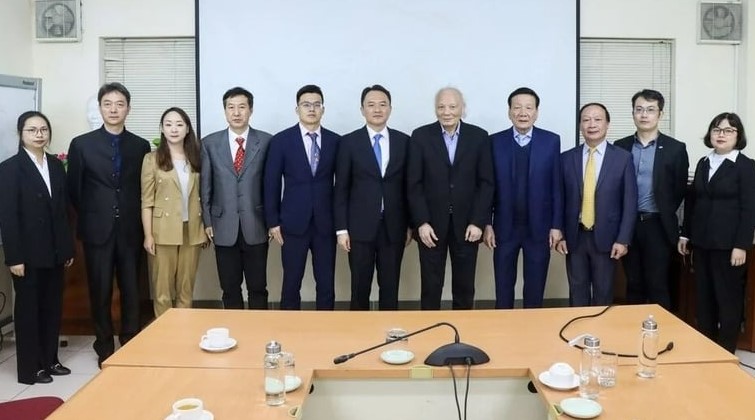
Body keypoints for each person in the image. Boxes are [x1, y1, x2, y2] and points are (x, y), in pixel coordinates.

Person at [67, 83, 150, 367]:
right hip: (96, 230)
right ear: (100, 108)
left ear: (128, 108)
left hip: (130, 230)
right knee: (99, 290)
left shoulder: (140, 145)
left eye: (119, 104)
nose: (114, 109)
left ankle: (131, 342)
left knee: (131, 290)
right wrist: (96, 214)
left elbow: (143, 188)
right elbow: (74, 191)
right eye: (108, 104)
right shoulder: (82, 144)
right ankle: (104, 346)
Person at [0, 111, 75, 384]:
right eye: (32, 130)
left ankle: (50, 360)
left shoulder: (55, 165)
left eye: (43, 129)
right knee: (29, 312)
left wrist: (66, 249)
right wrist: (14, 257)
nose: (39, 134)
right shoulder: (9, 169)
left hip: (54, 252)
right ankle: (30, 369)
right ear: (21, 134)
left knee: (52, 308)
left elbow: (61, 212)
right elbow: (7, 217)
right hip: (27, 255)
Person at [407, 87, 494, 310]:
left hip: (467, 226)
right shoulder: (420, 136)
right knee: (430, 286)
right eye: (441, 107)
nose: (447, 112)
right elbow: (413, 184)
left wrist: (478, 221)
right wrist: (421, 223)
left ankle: (461, 336)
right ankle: (431, 333)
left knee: (465, 287)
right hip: (431, 227)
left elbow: (486, 183)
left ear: (462, 109)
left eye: (452, 106)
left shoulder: (479, 137)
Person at [678, 112, 755, 354]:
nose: (721, 134)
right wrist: (685, 235)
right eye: (717, 129)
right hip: (701, 243)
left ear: (738, 136)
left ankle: (725, 352)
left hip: (729, 247)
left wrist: (741, 245)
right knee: (704, 300)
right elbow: (693, 202)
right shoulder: (703, 162)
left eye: (728, 130)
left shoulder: (746, 166)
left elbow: (749, 208)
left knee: (728, 301)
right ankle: (707, 350)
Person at [334, 85, 411, 310]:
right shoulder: (348, 143)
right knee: (360, 288)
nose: (377, 109)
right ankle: (360, 337)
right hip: (359, 230)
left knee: (390, 288)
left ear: (390, 108)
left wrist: (410, 225)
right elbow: (341, 189)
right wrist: (341, 230)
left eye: (382, 104)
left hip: (393, 228)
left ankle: (391, 338)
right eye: (371, 105)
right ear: (362, 110)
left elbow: (409, 187)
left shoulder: (403, 142)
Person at [484, 87, 563, 309]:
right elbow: (487, 187)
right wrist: (486, 224)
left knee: (535, 288)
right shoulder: (494, 142)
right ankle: (503, 333)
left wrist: (556, 225)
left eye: (529, 107)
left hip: (539, 228)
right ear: (509, 112)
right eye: (517, 107)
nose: (523, 112)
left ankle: (531, 333)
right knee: (503, 288)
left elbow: (556, 186)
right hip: (504, 228)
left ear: (536, 112)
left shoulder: (551, 141)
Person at [264, 84, 340, 310]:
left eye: (317, 105)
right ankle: (290, 330)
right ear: (297, 109)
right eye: (306, 105)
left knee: (326, 283)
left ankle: (325, 330)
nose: (312, 109)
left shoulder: (336, 141)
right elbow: (271, 183)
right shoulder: (281, 141)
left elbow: (343, 184)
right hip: (292, 223)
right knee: (291, 283)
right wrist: (273, 221)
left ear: (323, 110)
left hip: (326, 223)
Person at [557, 103, 637, 306]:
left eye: (597, 119)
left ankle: (601, 336)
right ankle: (576, 334)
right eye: (586, 119)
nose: (591, 124)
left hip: (607, 239)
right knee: (577, 292)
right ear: (580, 126)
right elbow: (559, 198)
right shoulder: (567, 158)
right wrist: (561, 234)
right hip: (575, 237)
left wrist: (623, 239)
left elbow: (629, 202)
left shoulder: (623, 158)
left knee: (603, 293)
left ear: (607, 124)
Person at [614, 89, 688, 309]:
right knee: (633, 282)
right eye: (639, 110)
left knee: (657, 284)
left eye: (650, 110)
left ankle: (661, 333)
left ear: (660, 114)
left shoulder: (675, 149)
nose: (644, 115)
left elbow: (678, 190)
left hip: (658, 225)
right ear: (633, 113)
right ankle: (632, 333)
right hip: (628, 224)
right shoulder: (621, 146)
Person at [200, 87, 272, 310]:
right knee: (230, 288)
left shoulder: (267, 141)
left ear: (250, 110)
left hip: (257, 222)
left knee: (258, 286)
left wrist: (272, 220)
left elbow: (272, 186)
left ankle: (258, 334)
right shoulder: (209, 143)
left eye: (242, 107)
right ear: (225, 111)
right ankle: (235, 333)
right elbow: (206, 186)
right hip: (222, 225)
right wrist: (208, 221)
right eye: (231, 107)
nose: (236, 112)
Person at [141, 107, 207, 317]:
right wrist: (148, 235)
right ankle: (163, 335)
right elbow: (147, 201)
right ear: (162, 129)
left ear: (187, 129)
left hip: (192, 229)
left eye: (179, 124)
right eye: (168, 124)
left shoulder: (197, 157)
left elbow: (205, 195)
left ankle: (183, 333)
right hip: (163, 231)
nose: (174, 129)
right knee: (162, 290)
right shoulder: (151, 159)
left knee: (186, 288)